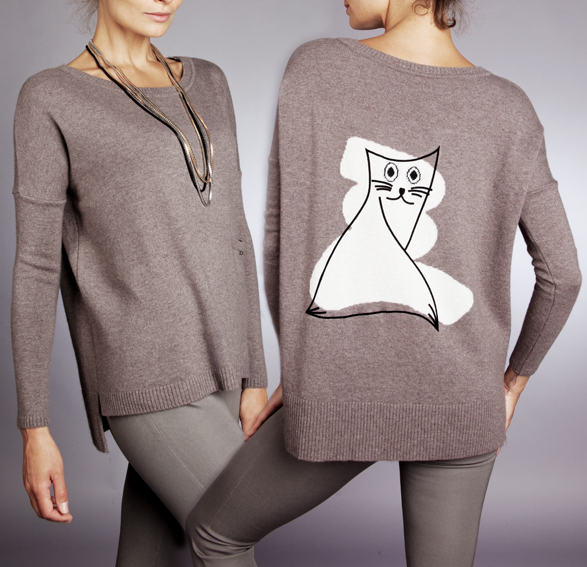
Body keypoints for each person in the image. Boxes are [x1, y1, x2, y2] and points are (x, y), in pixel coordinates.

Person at [185, 1, 582, 566]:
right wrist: (511, 385)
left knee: (215, 533)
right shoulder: (510, 108)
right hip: (464, 398)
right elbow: (564, 276)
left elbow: (281, 240)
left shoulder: (316, 67)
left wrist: (304, 366)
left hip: (338, 386)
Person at [11, 0, 268, 565]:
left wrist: (255, 373)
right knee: (229, 540)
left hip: (224, 366)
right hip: (142, 371)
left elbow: (236, 233)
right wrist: (35, 429)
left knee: (154, 554)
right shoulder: (51, 97)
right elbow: (36, 267)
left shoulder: (209, 80)